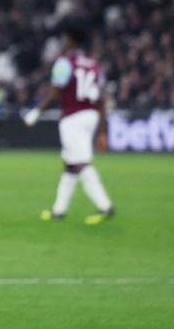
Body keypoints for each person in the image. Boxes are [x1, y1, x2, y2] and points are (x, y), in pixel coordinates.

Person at [24, 24, 115, 225]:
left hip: (73, 116)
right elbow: (101, 98)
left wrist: (36, 112)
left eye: (65, 39)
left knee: (81, 163)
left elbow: (55, 94)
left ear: (71, 40)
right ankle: (59, 210)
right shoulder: (93, 64)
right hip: (91, 115)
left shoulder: (65, 63)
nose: (63, 43)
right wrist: (101, 131)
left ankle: (105, 206)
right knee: (70, 164)